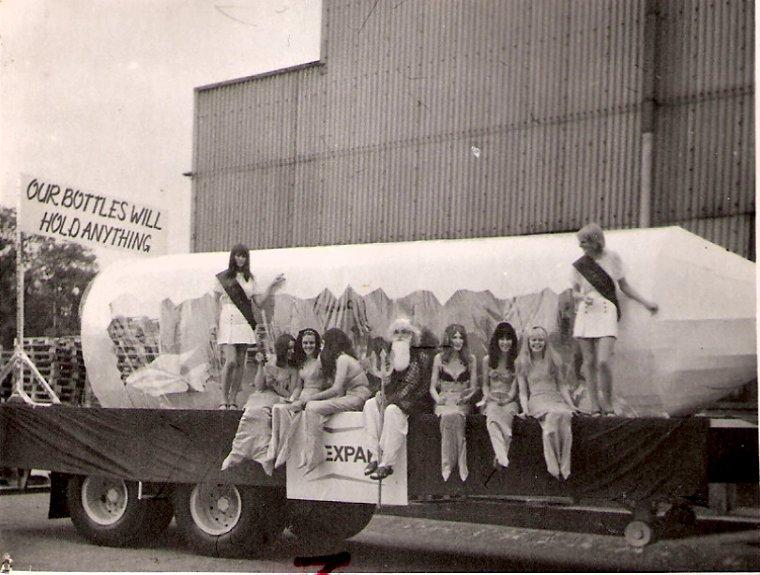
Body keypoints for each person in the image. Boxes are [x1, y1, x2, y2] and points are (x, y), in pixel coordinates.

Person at [571, 223, 658, 415]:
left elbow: (624, 286)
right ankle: (595, 406)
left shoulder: (612, 258)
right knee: (589, 363)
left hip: (606, 310)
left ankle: (608, 404)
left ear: (595, 241)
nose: (581, 247)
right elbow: (574, 293)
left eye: (583, 242)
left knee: (603, 361)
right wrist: (581, 297)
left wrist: (646, 302)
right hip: (586, 312)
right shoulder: (579, 265)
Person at [288, 328, 372, 473]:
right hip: (351, 396)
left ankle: (316, 454)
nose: (321, 348)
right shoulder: (341, 359)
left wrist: (309, 399)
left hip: (356, 397)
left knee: (312, 407)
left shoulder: (343, 359)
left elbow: (336, 389)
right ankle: (310, 452)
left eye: (324, 344)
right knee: (314, 407)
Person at [214, 243, 285, 409]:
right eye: (238, 255)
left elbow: (259, 303)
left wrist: (271, 286)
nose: (240, 258)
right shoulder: (223, 278)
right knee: (230, 361)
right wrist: (214, 323)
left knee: (240, 363)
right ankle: (223, 399)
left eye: (243, 256)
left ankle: (232, 400)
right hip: (227, 318)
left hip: (244, 320)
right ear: (233, 257)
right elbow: (215, 302)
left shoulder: (250, 279)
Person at [362, 318, 433, 481]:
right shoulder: (389, 354)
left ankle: (387, 463)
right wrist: (381, 392)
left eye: (404, 332)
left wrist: (390, 399)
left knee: (392, 411)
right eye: (396, 332)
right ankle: (375, 456)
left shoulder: (420, 356)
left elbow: (412, 385)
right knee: (370, 404)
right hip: (394, 399)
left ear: (412, 336)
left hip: (415, 401)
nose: (400, 336)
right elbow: (384, 380)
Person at [220, 334, 297, 474]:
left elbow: (290, 394)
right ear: (282, 349)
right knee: (250, 413)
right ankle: (237, 451)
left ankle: (262, 456)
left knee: (263, 413)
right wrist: (261, 366)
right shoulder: (271, 361)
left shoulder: (293, 369)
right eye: (288, 349)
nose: (291, 352)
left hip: (278, 396)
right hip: (262, 394)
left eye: (293, 349)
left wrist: (274, 385)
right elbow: (259, 386)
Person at [516, 326, 577, 479]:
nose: (537, 343)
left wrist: (571, 405)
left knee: (564, 416)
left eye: (540, 340)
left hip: (554, 398)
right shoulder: (522, 363)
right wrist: (525, 409)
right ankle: (553, 467)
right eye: (534, 340)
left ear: (545, 342)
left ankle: (565, 466)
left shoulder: (554, 360)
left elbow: (562, 386)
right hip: (537, 400)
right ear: (528, 342)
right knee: (552, 419)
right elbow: (523, 392)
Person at [269, 328, 325, 468]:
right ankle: (275, 446)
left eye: (311, 343)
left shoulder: (321, 361)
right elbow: (299, 387)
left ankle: (288, 450)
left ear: (316, 343)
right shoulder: (302, 363)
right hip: (302, 396)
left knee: (293, 411)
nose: (308, 346)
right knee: (277, 408)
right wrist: (293, 397)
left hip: (315, 396)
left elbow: (328, 383)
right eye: (305, 343)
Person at [429, 324, 478, 482]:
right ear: (448, 339)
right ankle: (447, 464)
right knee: (448, 417)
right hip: (444, 398)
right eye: (454, 337)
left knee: (457, 417)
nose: (458, 341)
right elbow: (432, 388)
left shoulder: (470, 359)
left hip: (461, 399)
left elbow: (474, 388)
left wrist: (466, 397)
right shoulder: (439, 358)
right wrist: (438, 399)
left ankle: (461, 464)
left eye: (460, 337)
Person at [481, 322, 520, 469]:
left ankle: (500, 457)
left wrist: (507, 399)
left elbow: (514, 389)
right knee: (492, 418)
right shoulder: (487, 360)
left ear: (513, 341)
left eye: (508, 339)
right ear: (496, 340)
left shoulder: (517, 362)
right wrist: (490, 397)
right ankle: (503, 457)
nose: (505, 342)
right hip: (491, 398)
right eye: (502, 338)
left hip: (509, 400)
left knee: (507, 422)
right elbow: (484, 385)